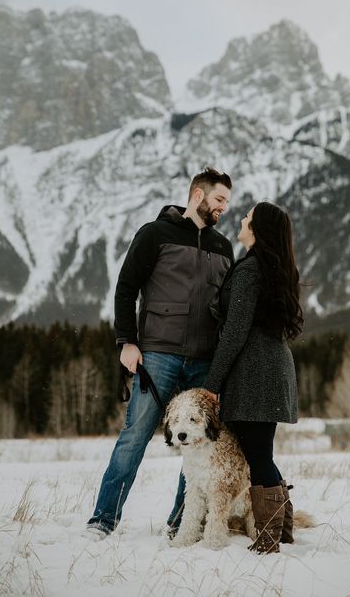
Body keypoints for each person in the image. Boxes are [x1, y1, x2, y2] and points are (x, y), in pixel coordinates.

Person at [86, 167, 233, 538]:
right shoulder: (155, 234)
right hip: (158, 356)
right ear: (197, 195)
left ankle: (181, 523)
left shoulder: (223, 246)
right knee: (135, 435)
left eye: (227, 203)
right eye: (219, 200)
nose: (223, 209)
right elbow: (125, 288)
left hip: (204, 360)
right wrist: (127, 341)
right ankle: (103, 519)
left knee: (202, 444)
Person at [204, 201, 303, 554]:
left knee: (258, 455)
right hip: (271, 369)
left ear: (257, 229)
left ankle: (269, 539)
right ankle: (282, 532)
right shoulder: (272, 268)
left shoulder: (250, 270)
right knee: (262, 453)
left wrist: (212, 384)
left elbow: (235, 332)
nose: (242, 220)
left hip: (255, 374)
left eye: (247, 218)